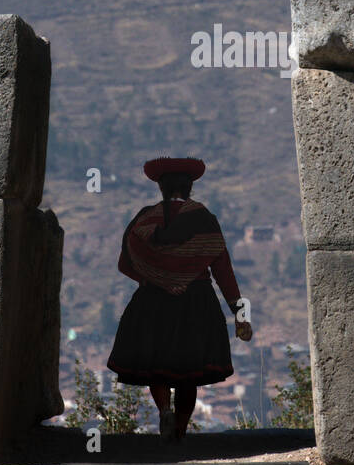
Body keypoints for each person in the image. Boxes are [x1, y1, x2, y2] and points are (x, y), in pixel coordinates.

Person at [106, 156, 252, 442]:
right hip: (196, 302)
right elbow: (222, 269)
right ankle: (181, 430)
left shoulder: (144, 220)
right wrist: (239, 312)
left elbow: (125, 264)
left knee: (156, 364)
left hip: (152, 301)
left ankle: (164, 411)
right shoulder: (204, 219)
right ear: (189, 189)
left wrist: (155, 277)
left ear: (160, 188)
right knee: (190, 371)